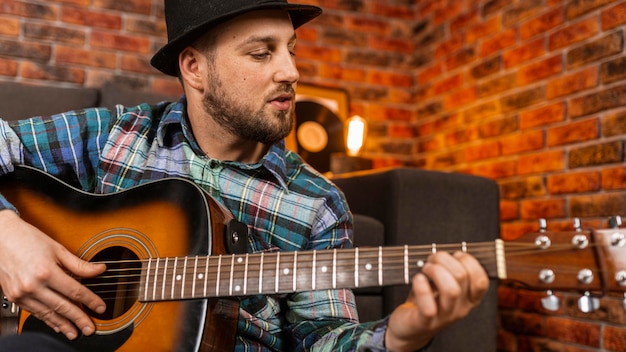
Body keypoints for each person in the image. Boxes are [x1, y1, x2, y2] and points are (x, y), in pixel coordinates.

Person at [0, 0, 489, 351]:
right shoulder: (118, 135)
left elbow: (324, 340)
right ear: (193, 67)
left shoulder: (316, 202)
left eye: (291, 49)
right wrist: (7, 234)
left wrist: (403, 335)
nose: (292, 71)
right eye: (262, 53)